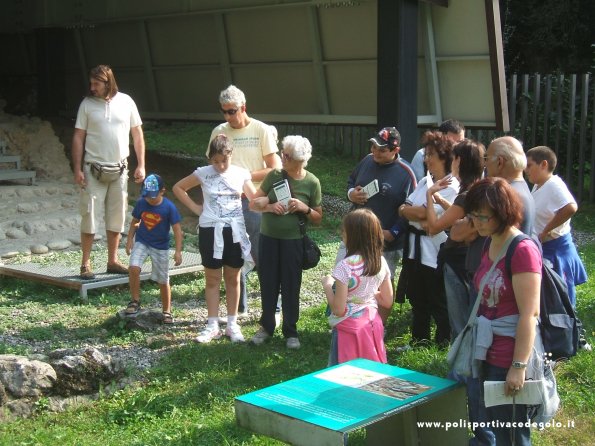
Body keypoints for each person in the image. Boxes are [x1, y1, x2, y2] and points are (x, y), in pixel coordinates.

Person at [464, 177, 543, 446]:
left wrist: (518, 367)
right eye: (473, 215)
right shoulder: (489, 241)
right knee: (492, 426)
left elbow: (530, 314)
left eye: (483, 216)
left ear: (503, 212)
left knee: (511, 434)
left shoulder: (522, 250)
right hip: (484, 350)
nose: (476, 222)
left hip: (507, 357)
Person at [173, 134, 257, 343]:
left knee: (233, 277)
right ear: (210, 159)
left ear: (231, 155)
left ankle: (232, 323)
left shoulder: (240, 173)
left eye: (224, 161)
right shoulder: (202, 173)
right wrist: (196, 208)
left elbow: (255, 199)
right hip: (210, 229)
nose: (220, 166)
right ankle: (212, 324)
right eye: (215, 161)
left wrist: (274, 203)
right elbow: (178, 188)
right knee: (212, 278)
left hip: (234, 230)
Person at [206, 85, 281, 317]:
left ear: (243, 107)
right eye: (224, 111)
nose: (228, 116)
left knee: (261, 254)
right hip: (227, 204)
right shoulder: (219, 131)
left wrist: (243, 177)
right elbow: (212, 165)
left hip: (254, 201)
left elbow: (275, 168)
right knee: (234, 256)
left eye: (232, 111)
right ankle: (238, 310)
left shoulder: (261, 130)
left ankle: (273, 307)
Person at [72, 64, 146, 280]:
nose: (92, 87)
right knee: (90, 215)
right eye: (91, 83)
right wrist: (77, 168)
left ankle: (112, 260)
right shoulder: (87, 104)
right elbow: (78, 136)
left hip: (120, 169)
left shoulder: (126, 101)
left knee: (117, 215)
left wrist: (141, 164)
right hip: (93, 168)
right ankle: (85, 263)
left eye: (96, 83)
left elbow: (138, 134)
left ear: (108, 82)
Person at [249, 135, 322, 349]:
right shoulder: (274, 175)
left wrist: (304, 208)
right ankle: (266, 327)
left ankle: (291, 330)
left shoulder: (312, 182)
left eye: (287, 155)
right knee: (268, 282)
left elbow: (318, 218)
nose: (283, 157)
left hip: (293, 242)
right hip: (268, 238)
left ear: (300, 160)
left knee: (291, 285)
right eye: (283, 153)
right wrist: (270, 206)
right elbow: (254, 204)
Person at [342, 126, 416, 320]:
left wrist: (394, 231)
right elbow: (351, 180)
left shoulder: (406, 173)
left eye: (382, 149)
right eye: (374, 146)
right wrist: (352, 194)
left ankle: (378, 326)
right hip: (356, 236)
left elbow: (412, 207)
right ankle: (348, 319)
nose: (375, 152)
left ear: (395, 150)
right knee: (348, 277)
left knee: (381, 283)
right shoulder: (367, 160)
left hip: (385, 241)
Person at [398, 130, 459, 346]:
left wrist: (413, 211)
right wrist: (412, 211)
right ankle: (419, 340)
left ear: (444, 156)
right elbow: (404, 208)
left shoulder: (451, 186)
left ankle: (443, 342)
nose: (426, 159)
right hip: (416, 250)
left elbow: (424, 213)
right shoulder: (426, 181)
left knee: (437, 299)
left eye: (431, 154)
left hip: (435, 251)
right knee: (416, 296)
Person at [424, 140, 485, 339]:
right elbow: (458, 214)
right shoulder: (479, 188)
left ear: (458, 161)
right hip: (473, 260)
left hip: (458, 262)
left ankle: (461, 367)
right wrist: (442, 201)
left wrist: (430, 194)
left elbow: (434, 227)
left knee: (460, 321)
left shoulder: (465, 194)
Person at [321, 208, 393, 366]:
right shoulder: (381, 262)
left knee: (342, 377)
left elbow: (339, 310)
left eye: (344, 231)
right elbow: (387, 301)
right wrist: (369, 293)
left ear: (353, 236)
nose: (342, 234)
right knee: (372, 374)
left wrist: (327, 285)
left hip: (348, 328)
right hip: (373, 324)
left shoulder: (345, 266)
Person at [525, 146, 587, 308]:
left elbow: (571, 207)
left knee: (561, 300)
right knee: (549, 300)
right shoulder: (539, 185)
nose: (526, 170)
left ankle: (569, 331)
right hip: (545, 248)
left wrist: (546, 230)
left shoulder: (554, 184)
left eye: (529, 165)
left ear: (543, 164)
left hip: (556, 250)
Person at [124, 174, 183, 324]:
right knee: (133, 267)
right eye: (147, 195)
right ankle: (135, 301)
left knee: (163, 280)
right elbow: (135, 222)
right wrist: (129, 239)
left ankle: (167, 310)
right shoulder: (141, 203)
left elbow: (177, 230)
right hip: (142, 242)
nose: (150, 199)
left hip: (161, 246)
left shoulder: (169, 207)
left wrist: (178, 251)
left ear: (162, 191)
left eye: (153, 196)